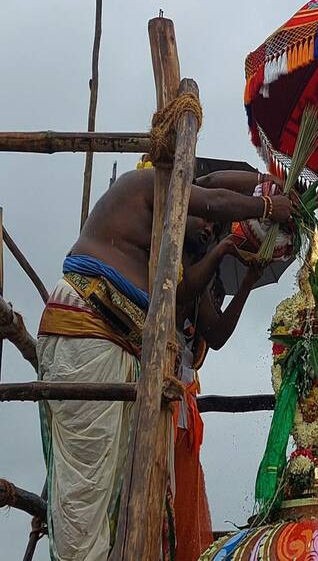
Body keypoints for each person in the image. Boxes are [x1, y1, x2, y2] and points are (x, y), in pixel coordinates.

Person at [36, 168, 290, 561]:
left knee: (118, 496)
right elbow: (211, 195)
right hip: (90, 331)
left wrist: (264, 181)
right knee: (86, 493)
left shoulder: (168, 255)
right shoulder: (148, 186)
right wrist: (269, 205)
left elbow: (208, 320)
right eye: (203, 217)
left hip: (120, 349)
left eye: (214, 227)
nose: (209, 227)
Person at [173, 228, 264, 561]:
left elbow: (218, 333)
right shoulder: (163, 267)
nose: (208, 228)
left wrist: (247, 283)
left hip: (181, 419)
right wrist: (224, 247)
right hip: (155, 411)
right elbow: (184, 292)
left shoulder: (197, 293)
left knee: (180, 507)